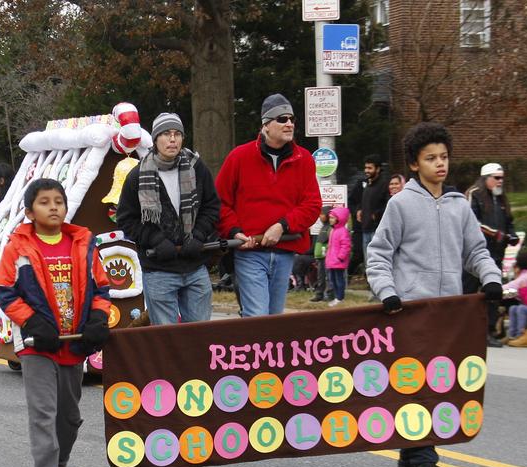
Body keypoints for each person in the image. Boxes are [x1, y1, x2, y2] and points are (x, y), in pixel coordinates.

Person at [366, 122, 502, 467]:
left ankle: (410, 455)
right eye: (431, 158)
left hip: (449, 313)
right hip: (410, 309)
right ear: (415, 164)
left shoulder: (459, 206)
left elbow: (475, 251)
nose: (439, 164)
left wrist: (491, 279)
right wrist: (387, 291)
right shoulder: (401, 204)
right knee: (419, 383)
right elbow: (378, 254)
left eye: (443, 157)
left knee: (439, 382)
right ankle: (426, 460)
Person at [0, 178, 111, 467]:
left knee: (69, 415)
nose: (54, 207)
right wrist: (31, 321)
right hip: (37, 343)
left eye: (58, 201)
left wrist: (98, 319)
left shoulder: (84, 243)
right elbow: (5, 291)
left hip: (74, 342)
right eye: (44, 202)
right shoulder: (18, 246)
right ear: (29, 211)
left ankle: (61, 464)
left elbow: (102, 289)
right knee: (43, 412)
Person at [215, 94, 321, 317]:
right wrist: (235, 231)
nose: (289, 123)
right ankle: (251, 351)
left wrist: (283, 225)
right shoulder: (239, 158)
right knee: (257, 317)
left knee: (274, 321)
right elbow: (219, 203)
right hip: (250, 252)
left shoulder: (305, 159)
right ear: (265, 125)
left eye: (292, 118)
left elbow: (312, 205)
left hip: (285, 251)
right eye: (282, 119)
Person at [115, 112, 220, 324]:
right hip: (159, 269)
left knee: (200, 335)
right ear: (155, 139)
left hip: (194, 264)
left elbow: (212, 206)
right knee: (166, 339)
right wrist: (155, 240)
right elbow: (126, 219)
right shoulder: (138, 175)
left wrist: (198, 235)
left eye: (177, 134)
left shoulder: (196, 167)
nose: (172, 139)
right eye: (165, 134)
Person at [465, 163, 519, 347]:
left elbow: (509, 221)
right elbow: (471, 222)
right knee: (469, 294)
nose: (500, 181)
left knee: (493, 293)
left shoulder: (501, 198)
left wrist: (511, 235)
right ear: (485, 177)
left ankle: (488, 331)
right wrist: (495, 233)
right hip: (473, 254)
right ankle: (465, 330)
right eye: (496, 177)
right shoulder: (474, 194)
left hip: (496, 254)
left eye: (502, 177)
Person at [358, 154, 389, 269]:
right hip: (365, 227)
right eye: (366, 168)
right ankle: (370, 284)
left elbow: (388, 204)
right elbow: (364, 202)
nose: (366, 171)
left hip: (377, 229)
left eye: (370, 168)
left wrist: (376, 214)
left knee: (377, 262)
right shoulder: (367, 184)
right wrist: (359, 210)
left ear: (378, 169)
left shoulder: (384, 184)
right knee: (368, 263)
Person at [324, 206, 351, 306]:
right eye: (330, 217)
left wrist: (340, 257)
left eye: (332, 218)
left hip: (338, 261)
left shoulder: (343, 231)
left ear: (339, 219)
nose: (330, 220)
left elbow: (346, 246)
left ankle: (340, 297)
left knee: (339, 280)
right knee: (333, 280)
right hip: (332, 260)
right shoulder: (333, 230)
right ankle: (336, 297)